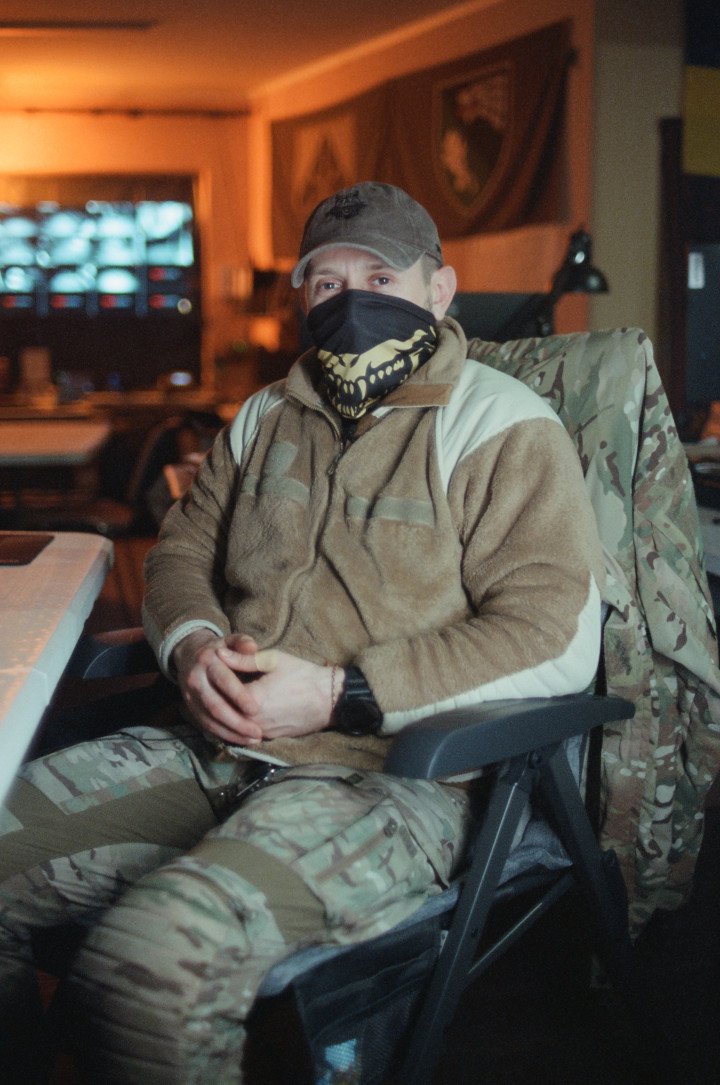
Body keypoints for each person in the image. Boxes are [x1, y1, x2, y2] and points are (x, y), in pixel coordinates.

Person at [0, 181, 605, 1081]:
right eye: (326, 282)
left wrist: (340, 693)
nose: (351, 298)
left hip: (388, 780)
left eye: (381, 275)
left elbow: (553, 637)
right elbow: (177, 558)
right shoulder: (263, 417)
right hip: (213, 745)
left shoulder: (505, 428)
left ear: (440, 292)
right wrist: (194, 644)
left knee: (149, 967)